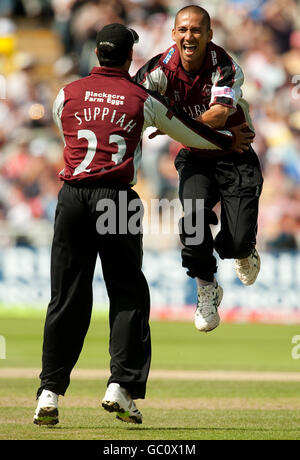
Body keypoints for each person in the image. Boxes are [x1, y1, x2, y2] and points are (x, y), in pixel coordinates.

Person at [33, 23, 253, 426]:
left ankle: (48, 394)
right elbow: (190, 134)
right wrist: (227, 141)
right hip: (116, 198)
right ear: (129, 56)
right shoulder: (140, 96)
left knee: (66, 296)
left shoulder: (67, 93)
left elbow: (66, 130)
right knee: (128, 292)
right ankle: (121, 387)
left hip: (71, 200)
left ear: (97, 54)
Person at [134, 5, 263, 333]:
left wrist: (171, 125)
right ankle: (207, 286)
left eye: (196, 30)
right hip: (196, 158)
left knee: (235, 244)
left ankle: (244, 249)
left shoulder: (226, 66)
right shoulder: (159, 69)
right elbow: (132, 99)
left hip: (236, 153)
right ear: (173, 34)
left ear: (209, 34)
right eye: (183, 30)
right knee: (191, 225)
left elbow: (219, 115)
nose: (189, 36)